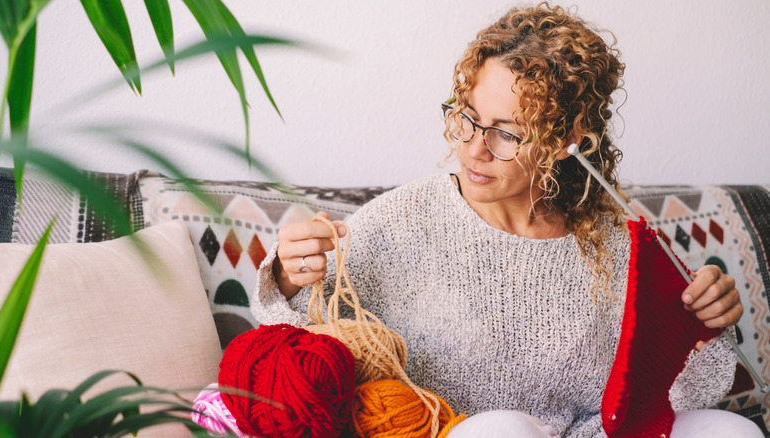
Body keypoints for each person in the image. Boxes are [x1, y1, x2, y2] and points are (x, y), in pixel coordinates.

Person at [250, 3, 762, 437]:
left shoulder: (619, 246)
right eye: (468, 117)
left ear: (572, 142)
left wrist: (703, 324)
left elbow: (671, 396)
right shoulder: (399, 222)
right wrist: (290, 278)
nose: (475, 148)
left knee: (735, 431)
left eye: (508, 133)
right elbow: (298, 354)